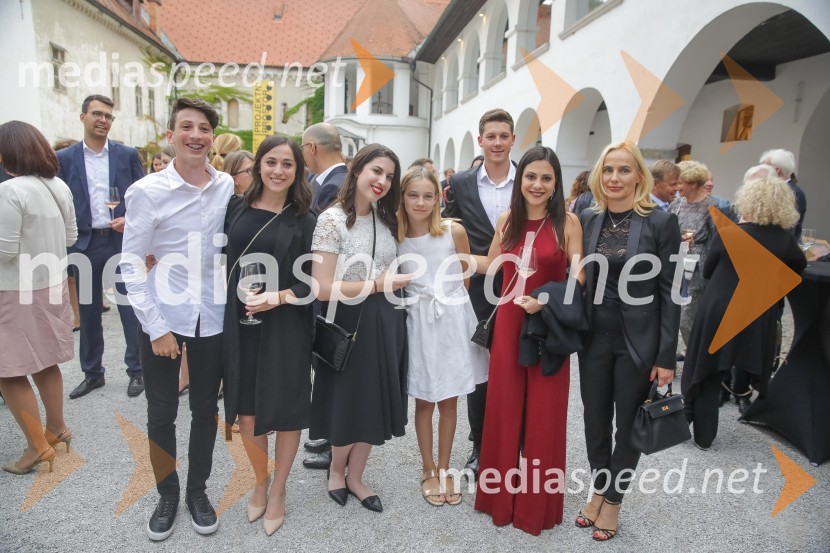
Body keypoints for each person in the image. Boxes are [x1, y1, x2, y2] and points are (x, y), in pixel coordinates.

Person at [120, 98, 233, 541]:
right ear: (171, 135)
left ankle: (197, 492)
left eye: (204, 128)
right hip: (165, 316)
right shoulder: (147, 191)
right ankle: (166, 493)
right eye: (186, 126)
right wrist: (156, 327)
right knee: (161, 412)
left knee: (206, 411)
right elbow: (130, 262)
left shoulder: (226, 186)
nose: (196, 135)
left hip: (215, 316)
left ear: (212, 137)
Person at [471, 146, 583, 535]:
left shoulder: (568, 223)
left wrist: (544, 301)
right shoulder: (507, 220)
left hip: (549, 325)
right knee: (502, 410)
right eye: (530, 177)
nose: (537, 185)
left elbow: (579, 279)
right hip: (508, 322)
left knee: (545, 414)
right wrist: (452, 254)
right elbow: (491, 264)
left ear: (556, 184)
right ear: (520, 181)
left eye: (545, 178)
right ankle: (498, 501)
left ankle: (537, 508)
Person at [575, 141, 680, 542]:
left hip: (639, 341)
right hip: (594, 338)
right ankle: (600, 487)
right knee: (594, 420)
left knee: (626, 426)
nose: (615, 178)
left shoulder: (659, 222)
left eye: (623, 170)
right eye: (608, 170)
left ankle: (614, 501)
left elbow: (672, 291)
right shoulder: (588, 217)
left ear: (639, 175)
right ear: (599, 175)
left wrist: (666, 355)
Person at [222, 135, 316, 534]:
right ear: (258, 165)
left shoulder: (306, 219)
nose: (278, 170)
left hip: (287, 325)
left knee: (288, 409)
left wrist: (278, 299)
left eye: (287, 164)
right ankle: (259, 481)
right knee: (247, 411)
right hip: (240, 323)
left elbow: (316, 282)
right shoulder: (235, 208)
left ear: (297, 171)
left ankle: (279, 489)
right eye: (271, 162)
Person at [309, 143, 410, 513]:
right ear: (357, 170)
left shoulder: (387, 220)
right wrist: (378, 284)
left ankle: (357, 475)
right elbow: (321, 287)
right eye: (376, 171)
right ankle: (337, 470)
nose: (382, 180)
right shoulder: (330, 220)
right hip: (346, 321)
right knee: (347, 401)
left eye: (389, 175)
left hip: (386, 321)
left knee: (373, 402)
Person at [682, 171, 806, 447]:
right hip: (755, 311)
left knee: (707, 370)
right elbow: (798, 268)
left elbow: (711, 270)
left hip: (719, 307)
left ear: (747, 201)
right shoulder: (785, 240)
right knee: (742, 362)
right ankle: (741, 395)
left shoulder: (729, 233)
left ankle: (703, 436)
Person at [396, 166, 488, 507]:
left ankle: (447, 468)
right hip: (419, 322)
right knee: (424, 400)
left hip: (450, 320)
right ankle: (428, 468)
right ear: (402, 197)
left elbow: (465, 279)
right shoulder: (397, 236)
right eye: (413, 195)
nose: (420, 203)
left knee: (449, 400)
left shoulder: (453, 231)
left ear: (438, 198)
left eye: (427, 196)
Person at [0, 121, 77, 474]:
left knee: (9, 372)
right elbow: (72, 237)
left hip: (16, 288)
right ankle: (57, 428)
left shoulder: (11, 190)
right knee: (47, 361)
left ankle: (36, 446)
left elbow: (4, 251)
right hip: (52, 281)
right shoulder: (58, 185)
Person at [443, 108, 516, 478]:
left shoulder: (531, 179)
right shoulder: (462, 183)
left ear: (513, 139)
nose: (498, 142)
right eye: (492, 136)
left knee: (517, 367)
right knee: (479, 372)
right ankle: (479, 446)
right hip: (477, 292)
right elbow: (447, 227)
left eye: (504, 135)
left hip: (522, 288)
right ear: (481, 140)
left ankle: (513, 447)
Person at [56, 94, 144, 399]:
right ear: (83, 117)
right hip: (84, 242)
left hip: (120, 240)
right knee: (89, 311)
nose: (103, 120)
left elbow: (141, 197)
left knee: (128, 307)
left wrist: (128, 218)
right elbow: (59, 201)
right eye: (97, 114)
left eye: (108, 115)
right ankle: (93, 373)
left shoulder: (127, 154)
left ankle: (137, 371)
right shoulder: (64, 159)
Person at [670, 160, 717, 359]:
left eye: (680, 183)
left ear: (693, 183)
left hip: (698, 266)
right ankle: (691, 350)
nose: (677, 187)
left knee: (689, 315)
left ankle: (698, 354)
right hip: (676, 262)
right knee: (677, 312)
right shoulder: (677, 204)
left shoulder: (711, 206)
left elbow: (717, 239)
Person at [53, 139, 81, 332]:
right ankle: (74, 316)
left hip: (76, 230)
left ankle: (79, 317)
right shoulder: (55, 179)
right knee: (67, 279)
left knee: (75, 278)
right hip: (62, 232)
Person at [760, 149, 807, 241]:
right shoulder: (770, 189)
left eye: (764, 168)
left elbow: (789, 227)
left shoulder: (794, 193)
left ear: (777, 170)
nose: (761, 171)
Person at [302, 123, 347, 215]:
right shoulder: (317, 177)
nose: (303, 155)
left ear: (312, 147)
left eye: (302, 148)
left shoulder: (333, 187)